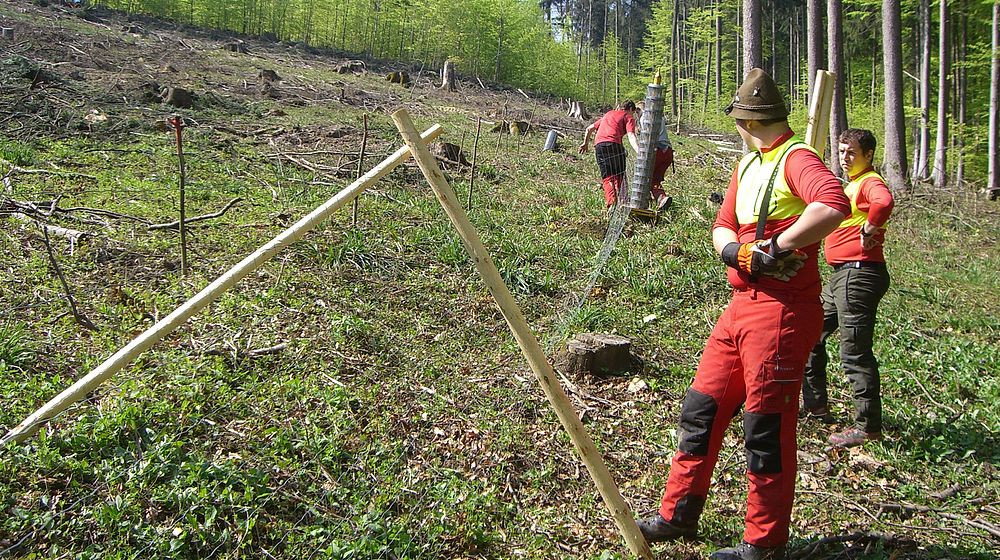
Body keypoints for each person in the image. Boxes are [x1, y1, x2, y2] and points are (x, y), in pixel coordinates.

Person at [636, 68, 851, 560]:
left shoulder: (798, 158)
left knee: (765, 428)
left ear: (747, 120)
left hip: (782, 313)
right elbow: (722, 224)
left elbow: (833, 205)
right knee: (702, 409)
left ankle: (764, 542)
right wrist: (738, 252)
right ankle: (678, 513)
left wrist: (776, 245)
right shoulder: (748, 164)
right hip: (740, 308)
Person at [802, 128, 894, 448]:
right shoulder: (852, 185)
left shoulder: (870, 182)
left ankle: (868, 425)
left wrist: (871, 225)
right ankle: (815, 406)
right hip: (842, 276)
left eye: (852, 152)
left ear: (868, 155)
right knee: (811, 333)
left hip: (859, 275)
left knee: (854, 351)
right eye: (841, 151)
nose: (845, 157)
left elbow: (884, 201)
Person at [579, 101, 640, 210]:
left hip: (599, 146)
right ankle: (624, 202)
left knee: (607, 177)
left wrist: (585, 144)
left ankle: (611, 203)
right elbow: (631, 135)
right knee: (620, 175)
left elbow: (589, 129)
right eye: (633, 112)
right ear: (631, 109)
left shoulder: (608, 114)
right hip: (615, 146)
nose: (633, 115)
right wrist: (639, 151)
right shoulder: (628, 117)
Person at [637, 101, 675, 213]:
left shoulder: (645, 117)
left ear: (639, 110)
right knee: (655, 179)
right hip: (667, 152)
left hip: (656, 151)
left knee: (647, 177)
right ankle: (661, 199)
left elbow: (646, 138)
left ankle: (654, 199)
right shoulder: (659, 117)